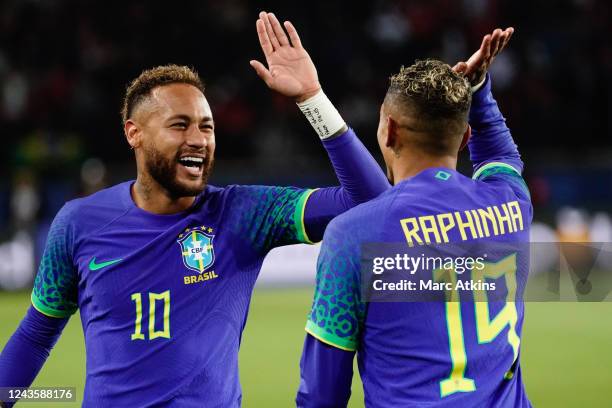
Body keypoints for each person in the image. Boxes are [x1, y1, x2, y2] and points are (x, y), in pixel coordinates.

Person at [0, 12, 389, 407]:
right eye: (180, 125)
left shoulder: (243, 213)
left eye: (207, 127)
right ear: (134, 133)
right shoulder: (78, 223)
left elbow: (371, 200)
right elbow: (35, 336)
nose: (199, 139)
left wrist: (312, 99)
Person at [297, 28, 534, 407]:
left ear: (388, 130)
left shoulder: (354, 233)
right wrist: (478, 91)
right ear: (464, 138)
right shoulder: (511, 205)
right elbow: (503, 159)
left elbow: (323, 391)